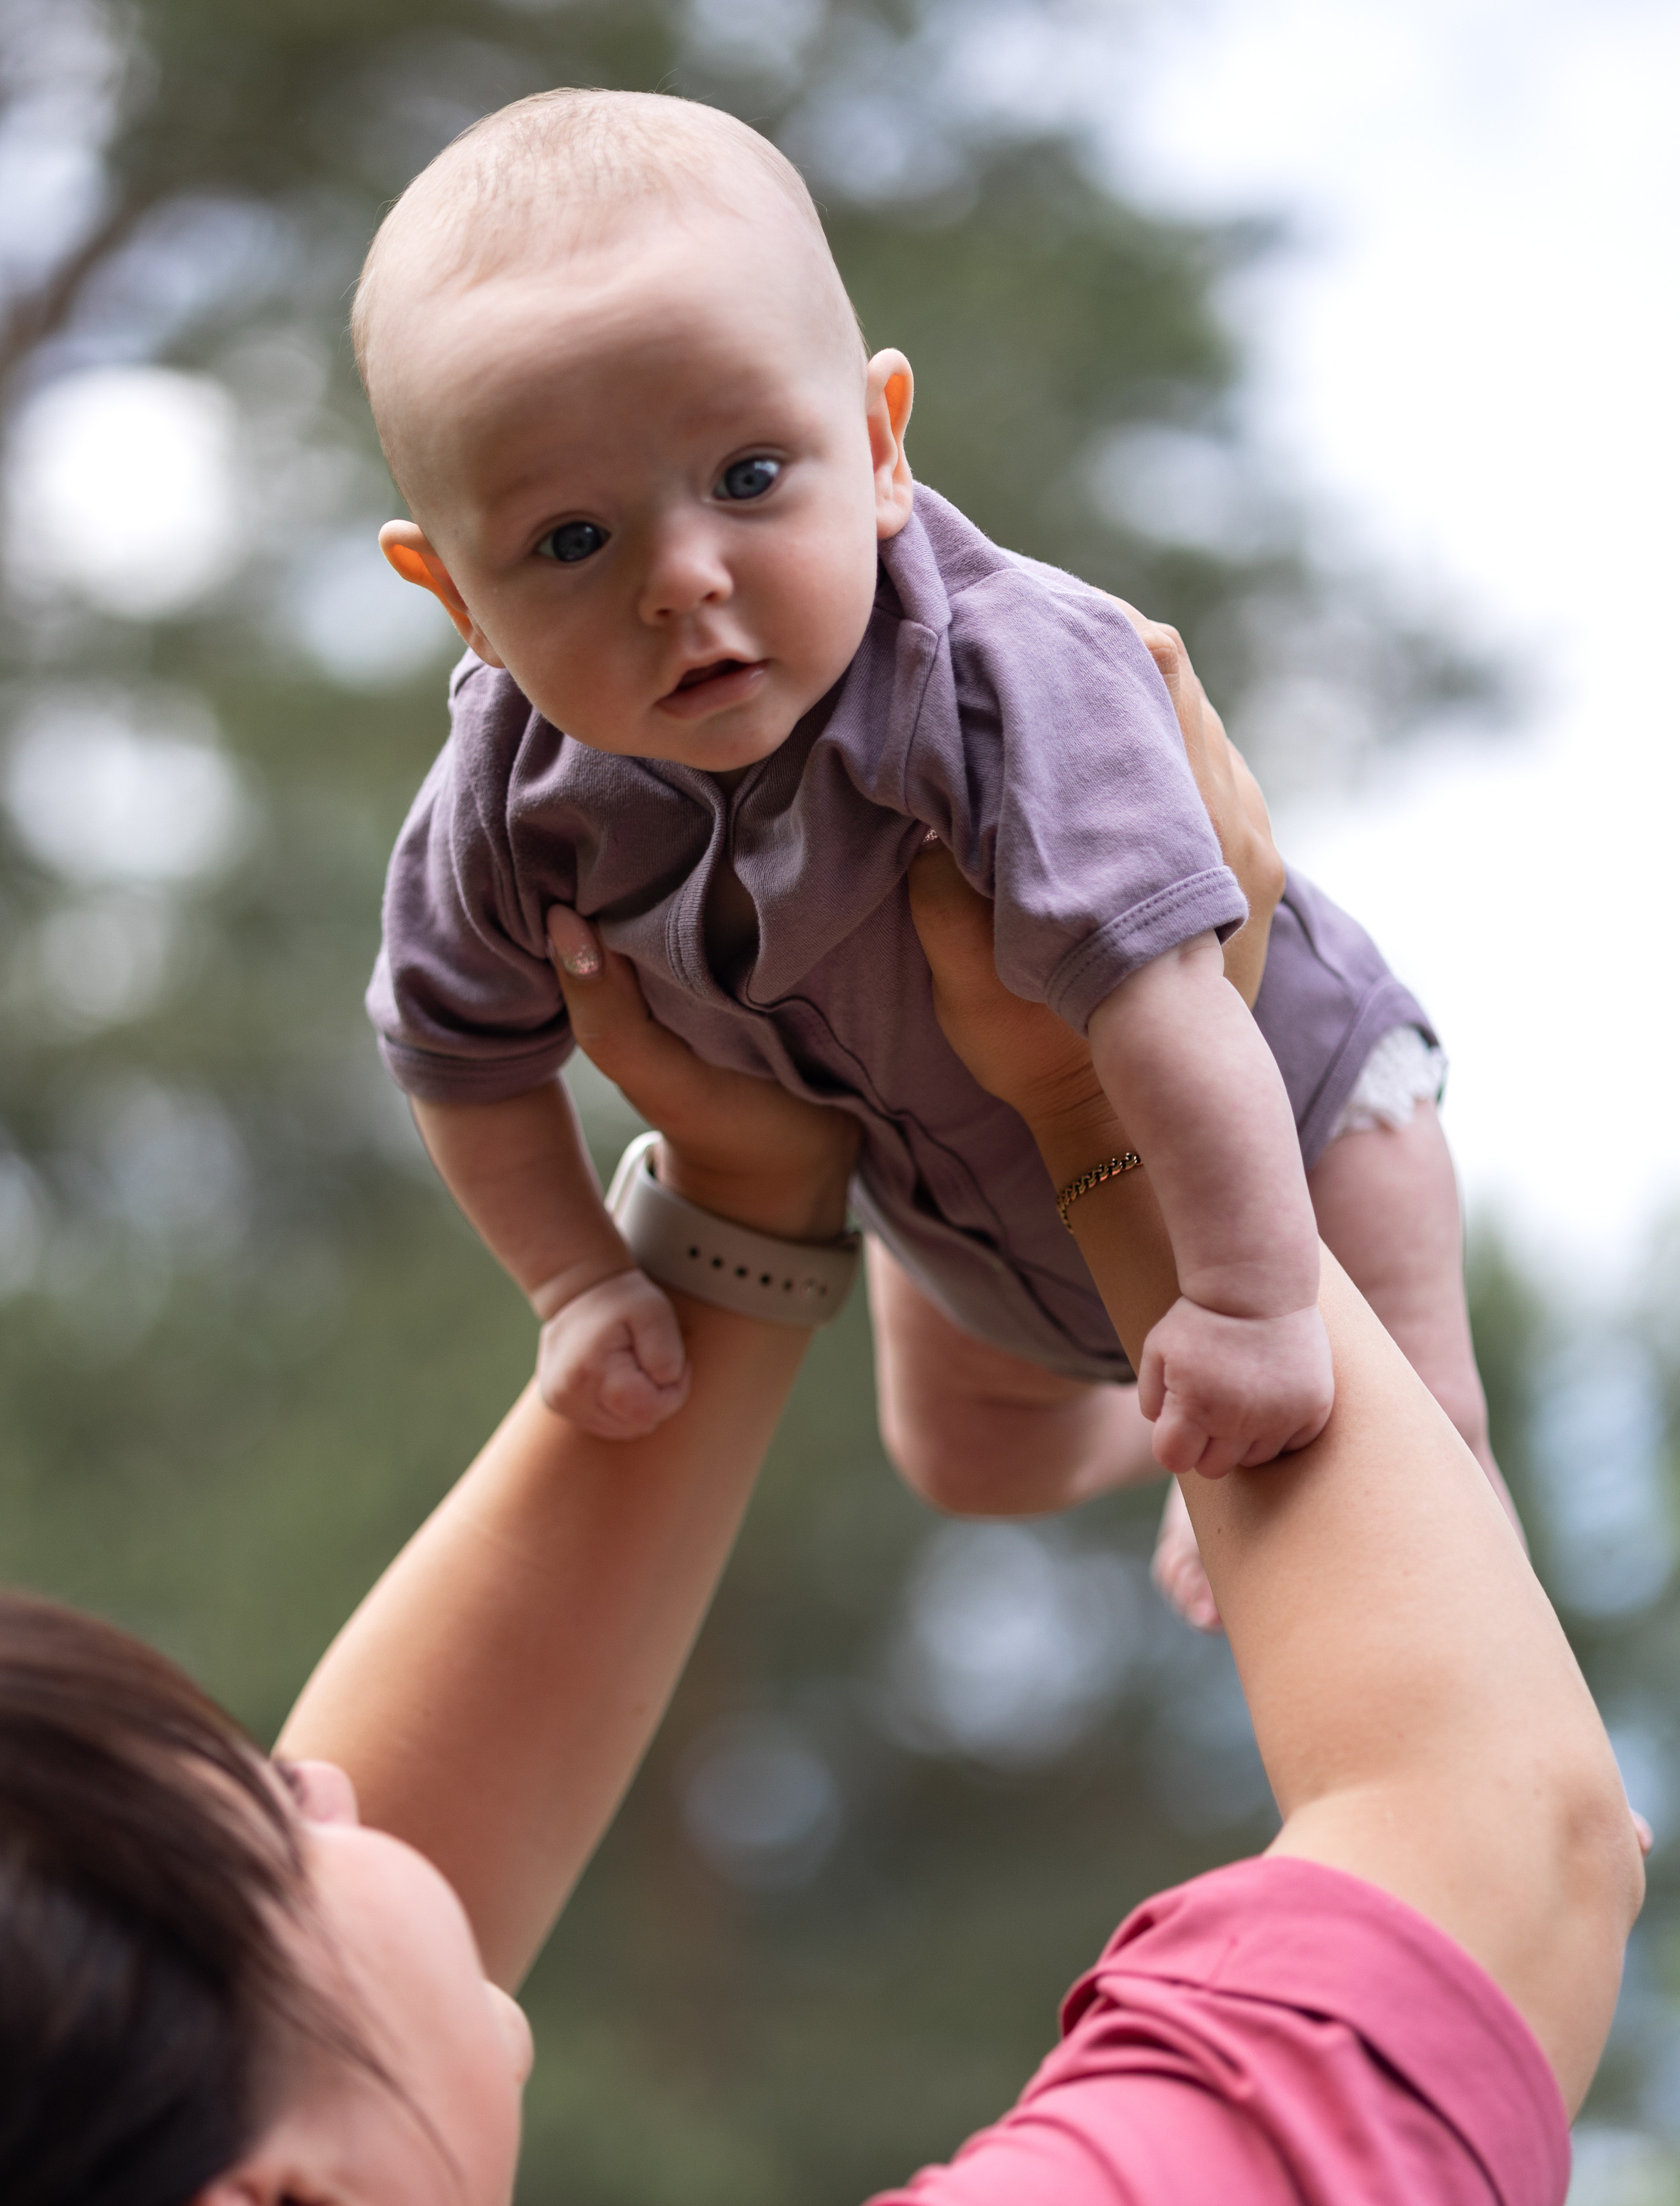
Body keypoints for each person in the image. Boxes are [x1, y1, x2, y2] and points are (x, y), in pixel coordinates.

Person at [0, 621, 1640, 2206]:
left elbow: (243, 2033)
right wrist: (1110, 1085)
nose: (330, 1785)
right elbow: (1484, 1834)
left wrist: (740, 1200)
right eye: (266, 1825)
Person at [354, 86, 1511, 1635]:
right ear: (458, 601)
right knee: (962, 1459)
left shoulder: (1003, 678)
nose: (681, 579)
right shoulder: (509, 798)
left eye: (749, 476)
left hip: (1277, 1127)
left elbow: (1168, 1004)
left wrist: (1244, 1305)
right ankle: (1171, 1420)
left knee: (1410, 1431)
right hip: (958, 1208)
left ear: (880, 444)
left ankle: (1511, 1714)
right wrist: (576, 1279)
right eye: (571, 542)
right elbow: (458, 1057)